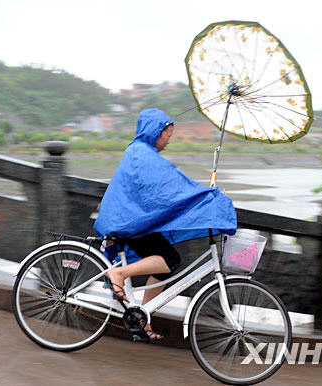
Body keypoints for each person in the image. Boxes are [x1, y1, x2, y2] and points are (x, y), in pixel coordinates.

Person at [93, 108, 236, 342]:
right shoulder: (143, 156)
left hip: (130, 221)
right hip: (127, 223)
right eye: (167, 134)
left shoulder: (141, 153)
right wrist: (207, 197)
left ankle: (142, 320)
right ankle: (118, 273)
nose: (169, 140)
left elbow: (171, 186)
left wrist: (204, 194)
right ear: (155, 131)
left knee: (168, 264)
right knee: (168, 259)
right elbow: (172, 190)